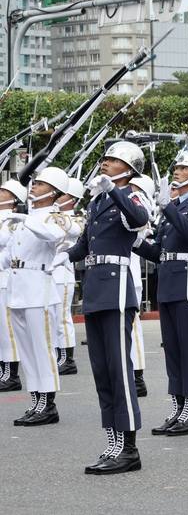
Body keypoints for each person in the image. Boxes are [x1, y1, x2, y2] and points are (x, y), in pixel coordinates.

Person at [67, 141, 150, 474]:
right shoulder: (97, 201)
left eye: (113, 160)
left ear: (128, 169)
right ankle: (113, 441)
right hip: (96, 287)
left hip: (117, 289)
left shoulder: (129, 195)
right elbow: (83, 245)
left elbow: (139, 218)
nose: (105, 163)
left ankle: (129, 448)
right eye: (105, 159)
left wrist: (114, 192)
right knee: (102, 371)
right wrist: (54, 250)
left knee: (119, 370)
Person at [135, 148, 188, 437]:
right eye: (177, 168)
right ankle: (177, 407)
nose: (177, 172)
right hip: (169, 283)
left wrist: (168, 206)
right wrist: (136, 241)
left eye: (183, 169)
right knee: (172, 350)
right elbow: (159, 252)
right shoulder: (171, 210)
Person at [2, 167, 78, 428]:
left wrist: (23, 218)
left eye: (41, 184)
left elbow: (54, 235)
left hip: (39, 290)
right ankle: (35, 401)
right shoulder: (25, 219)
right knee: (26, 351)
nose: (33, 186)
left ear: (54, 192)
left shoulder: (54, 218)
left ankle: (48, 403)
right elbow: (7, 258)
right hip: (18, 290)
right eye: (35, 183)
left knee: (42, 350)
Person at [52, 178, 86, 375]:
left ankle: (67, 359)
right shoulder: (51, 215)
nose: (57, 196)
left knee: (62, 318)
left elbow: (74, 230)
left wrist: (53, 211)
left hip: (63, 275)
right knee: (51, 318)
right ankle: (57, 355)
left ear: (71, 199)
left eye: (61, 194)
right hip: (49, 274)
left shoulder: (77, 218)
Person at [128, 175, 157, 397]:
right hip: (116, 273)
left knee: (132, 326)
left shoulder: (138, 204)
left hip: (129, 272)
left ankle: (137, 376)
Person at [0, 180, 27, 392]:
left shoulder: (13, 221)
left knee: (6, 330)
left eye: (4, 191)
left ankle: (11, 375)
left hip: (6, 279)